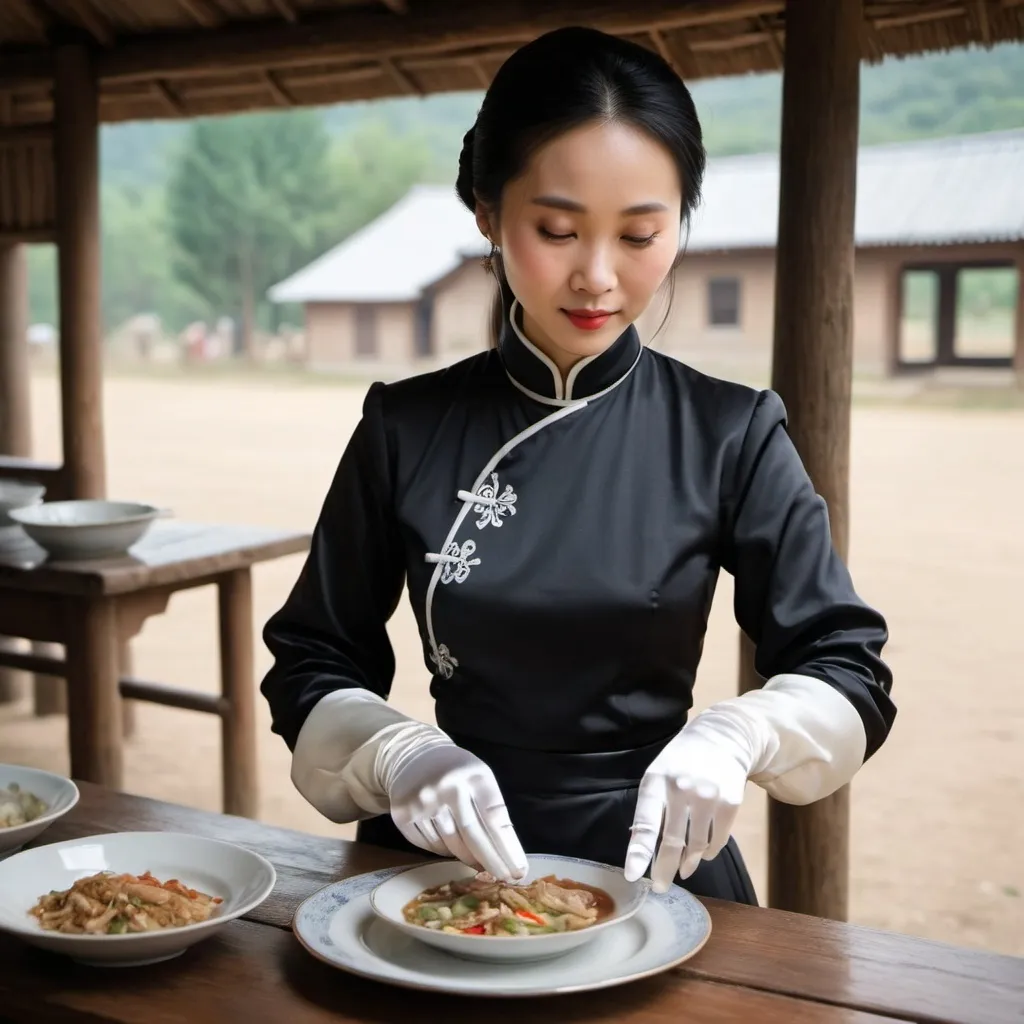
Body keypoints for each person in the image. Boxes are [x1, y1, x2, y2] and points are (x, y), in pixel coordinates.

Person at [260, 26, 896, 905]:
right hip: (438, 863)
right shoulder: (403, 427)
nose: (597, 276)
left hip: (660, 870)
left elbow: (846, 665)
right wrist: (399, 753)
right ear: (486, 212)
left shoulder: (731, 431)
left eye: (641, 235)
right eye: (556, 229)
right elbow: (311, 657)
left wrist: (738, 736)